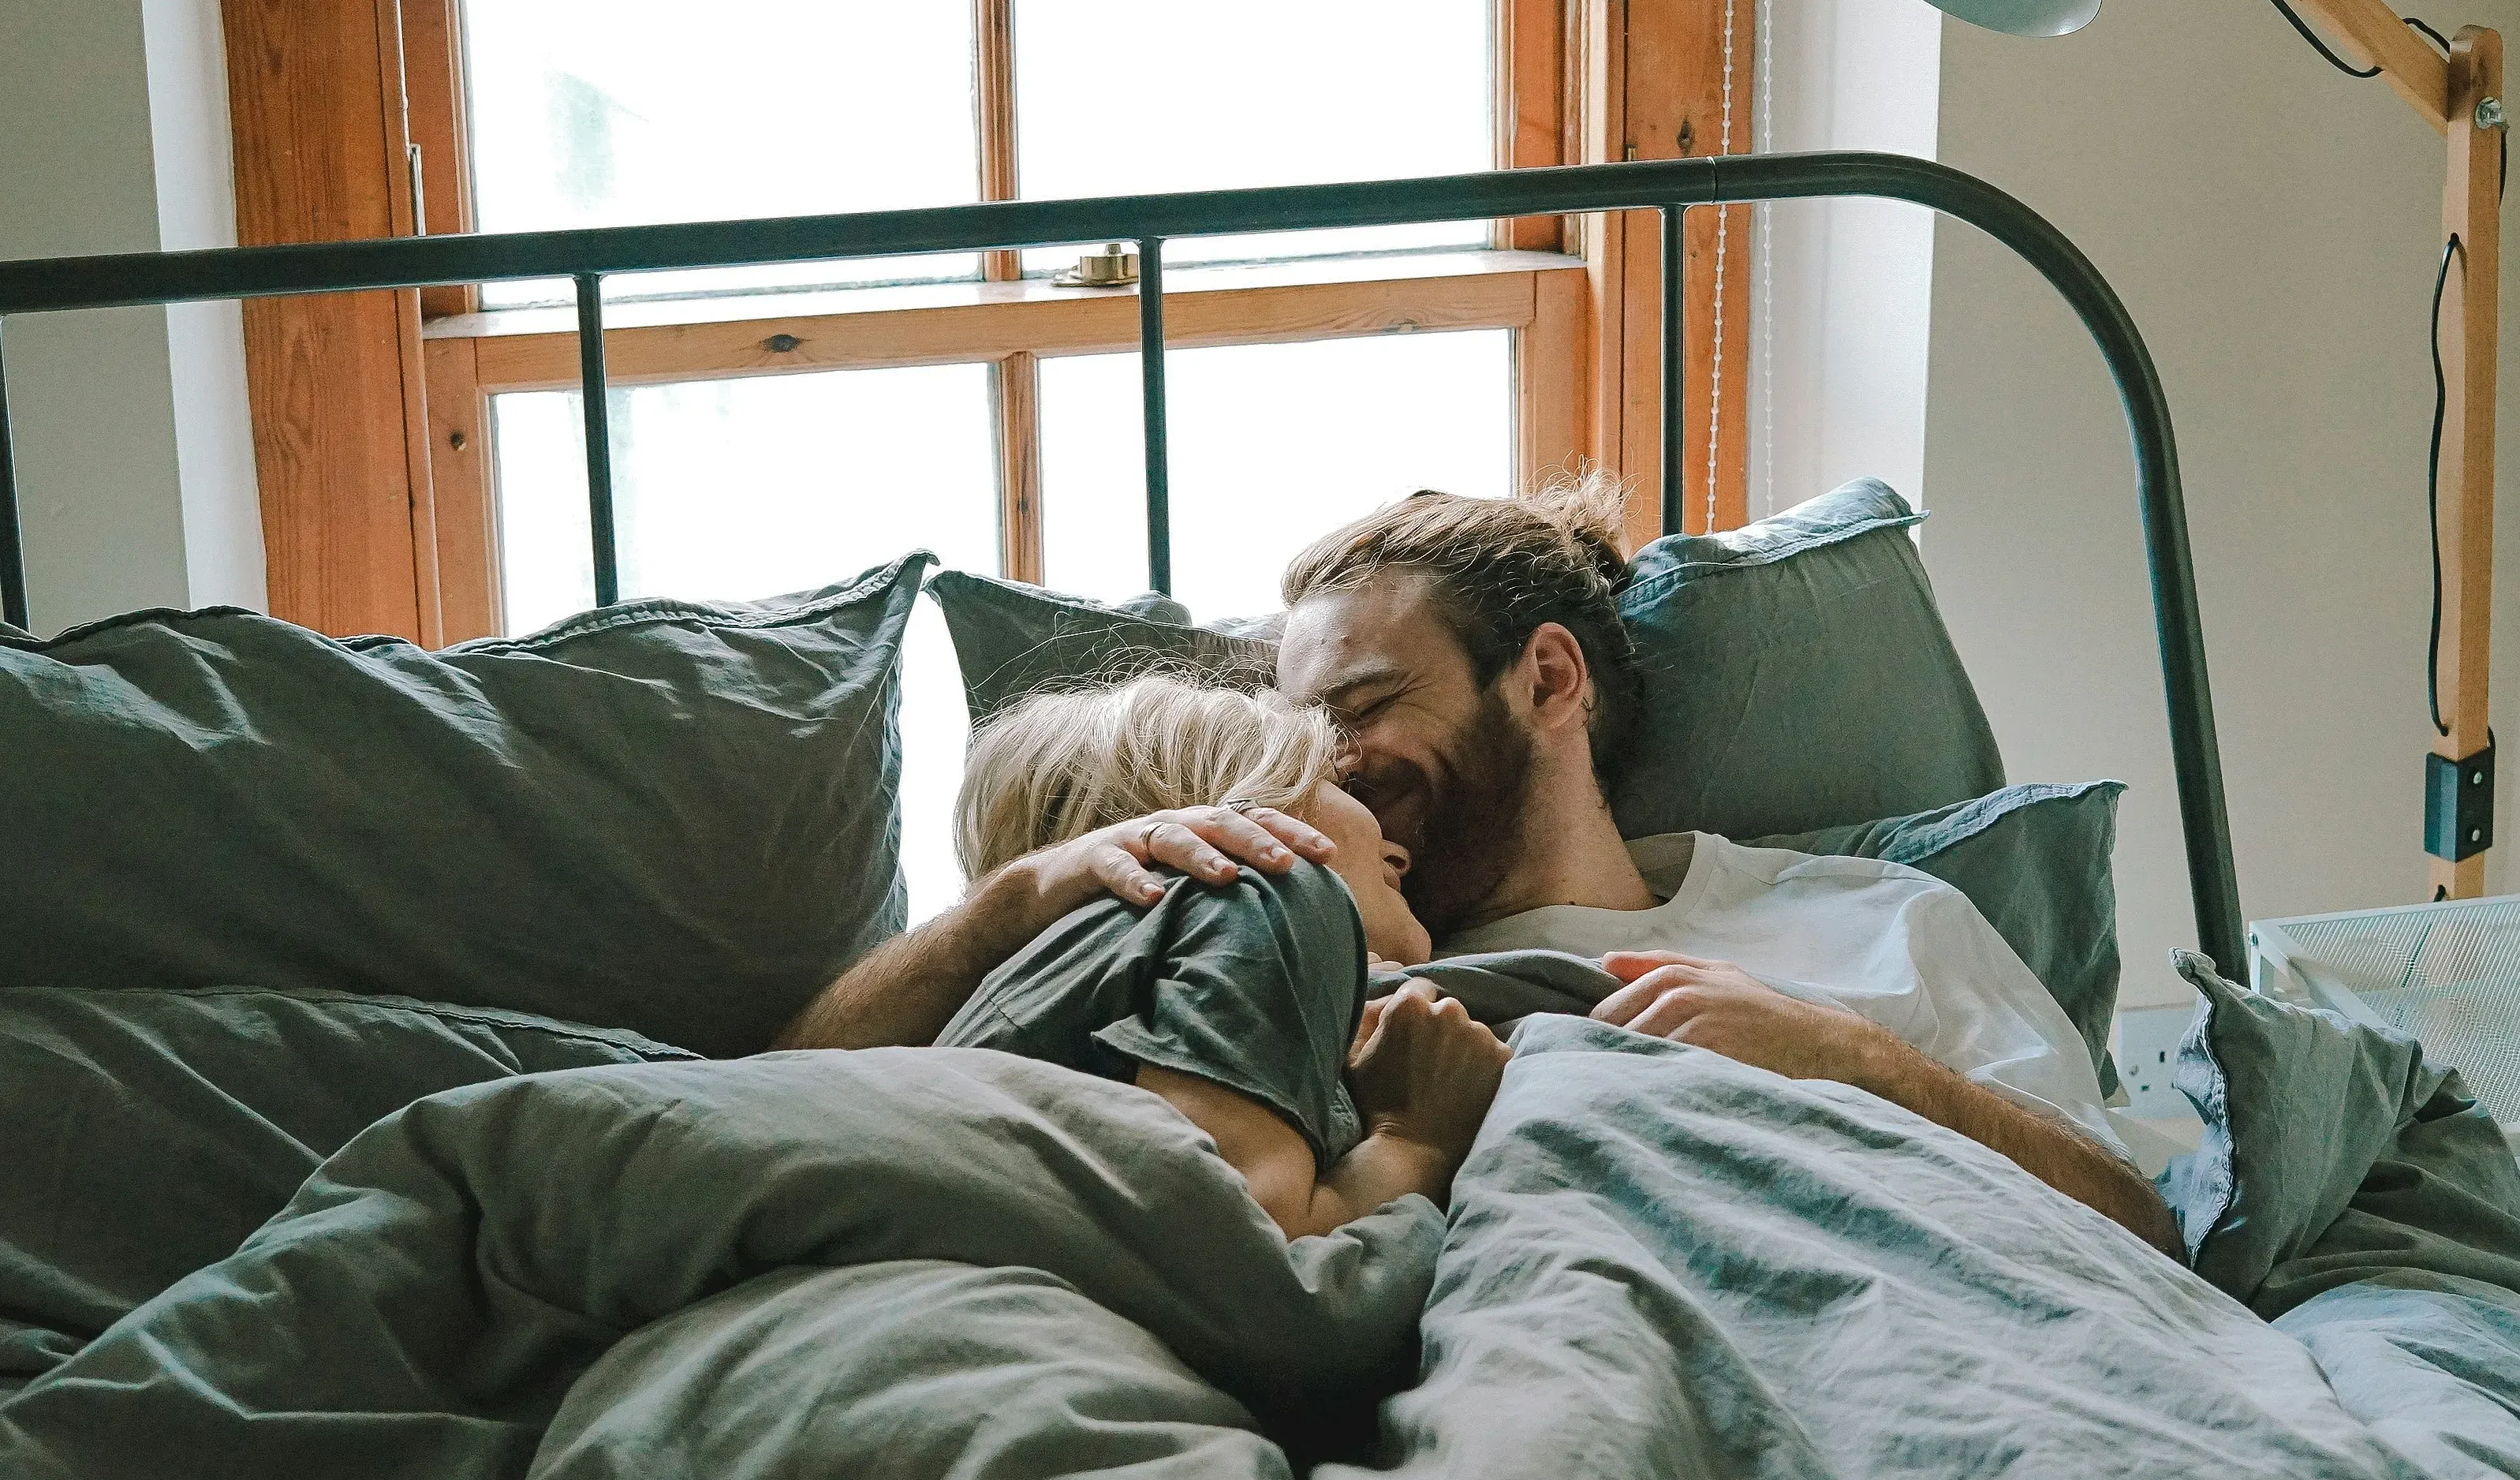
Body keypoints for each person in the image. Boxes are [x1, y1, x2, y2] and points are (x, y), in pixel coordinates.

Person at [782, 479, 2178, 1258]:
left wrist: (1862, 1064)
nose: (1326, 762)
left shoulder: (1872, 924)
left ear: (1548, 678)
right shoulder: (1279, 935)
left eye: (1363, 707)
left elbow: (2146, 1230)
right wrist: (1020, 899)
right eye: (1295, 734)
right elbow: (807, 1095)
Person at [917, 672, 1506, 1244]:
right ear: (1230, 810)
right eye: (1340, 786)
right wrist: (1415, 1142)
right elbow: (1255, 1258)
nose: (1396, 846)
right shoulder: (1255, 895)